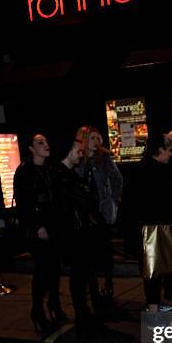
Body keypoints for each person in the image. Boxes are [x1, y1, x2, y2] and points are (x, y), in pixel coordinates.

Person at [13, 133, 65, 336]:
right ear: (31, 148)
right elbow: (23, 204)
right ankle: (37, 311)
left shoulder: (51, 169)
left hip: (54, 227)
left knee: (54, 268)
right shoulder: (24, 172)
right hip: (38, 230)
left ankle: (54, 304)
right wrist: (36, 227)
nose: (46, 145)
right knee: (42, 270)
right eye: (40, 143)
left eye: (46, 141)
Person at [52, 134, 102, 336]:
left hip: (79, 233)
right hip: (72, 235)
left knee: (82, 274)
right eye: (78, 151)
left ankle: (85, 313)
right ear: (68, 151)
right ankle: (82, 314)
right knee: (78, 276)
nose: (81, 155)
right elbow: (80, 200)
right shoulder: (60, 175)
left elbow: (88, 199)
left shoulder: (70, 174)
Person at [75, 125, 123, 301]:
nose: (96, 141)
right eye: (92, 138)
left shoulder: (104, 158)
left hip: (102, 211)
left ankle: (108, 285)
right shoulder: (78, 159)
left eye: (98, 138)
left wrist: (115, 199)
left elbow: (117, 179)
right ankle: (93, 290)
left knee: (106, 251)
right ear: (84, 139)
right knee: (90, 255)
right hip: (85, 214)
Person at [138, 134, 172, 312]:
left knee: (154, 272)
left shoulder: (142, 169)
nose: (171, 154)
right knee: (157, 272)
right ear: (160, 151)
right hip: (156, 229)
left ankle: (155, 308)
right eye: (169, 150)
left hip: (152, 228)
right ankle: (155, 311)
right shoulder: (162, 172)